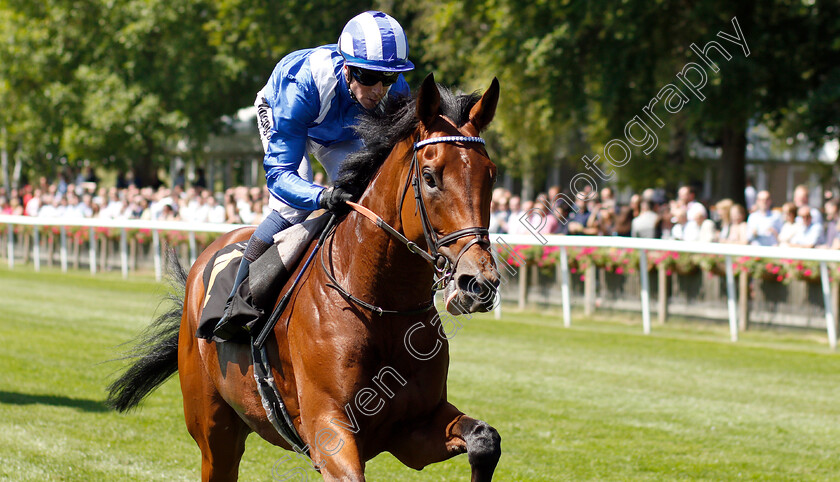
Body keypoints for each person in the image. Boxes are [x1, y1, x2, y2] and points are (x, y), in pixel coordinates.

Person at [213, 11, 414, 341]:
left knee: (366, 195)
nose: (378, 89)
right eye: (367, 76)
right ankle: (236, 301)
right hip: (286, 114)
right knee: (294, 208)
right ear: (347, 68)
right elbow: (280, 175)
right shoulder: (303, 85)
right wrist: (322, 196)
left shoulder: (394, 90)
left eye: (387, 79)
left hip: (338, 131)